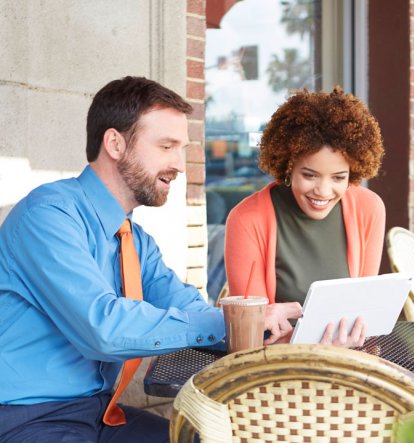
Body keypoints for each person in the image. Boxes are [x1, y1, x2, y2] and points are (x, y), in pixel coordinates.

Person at [0, 76, 301, 442]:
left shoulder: (135, 240)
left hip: (99, 413)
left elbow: (188, 305)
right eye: (166, 146)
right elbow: (104, 329)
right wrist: (229, 324)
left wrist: (261, 328)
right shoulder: (47, 215)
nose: (178, 164)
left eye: (181, 148)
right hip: (29, 418)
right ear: (115, 143)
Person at [224, 87, 386, 348]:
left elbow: (362, 313)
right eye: (309, 175)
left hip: (350, 363)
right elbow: (252, 334)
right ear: (288, 166)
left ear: (354, 173)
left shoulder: (369, 209)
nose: (323, 191)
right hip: (276, 372)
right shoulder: (247, 220)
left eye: (338, 178)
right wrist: (311, 343)